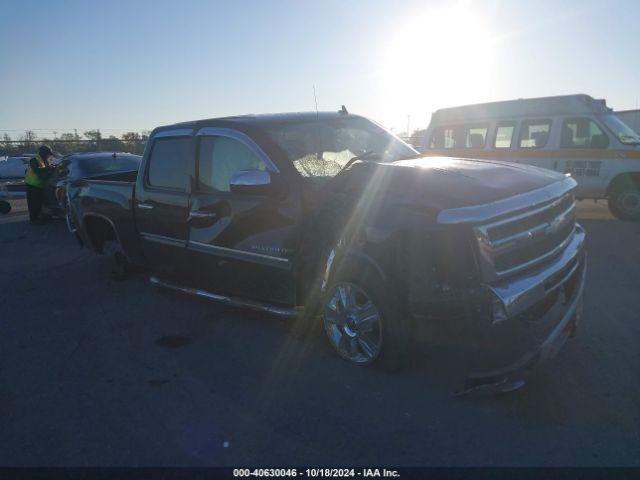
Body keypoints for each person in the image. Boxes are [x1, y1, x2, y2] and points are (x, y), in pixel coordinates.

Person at [24, 145, 54, 224]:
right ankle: (34, 220)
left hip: (39, 185)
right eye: (48, 154)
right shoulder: (34, 160)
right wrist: (49, 168)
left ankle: (42, 216)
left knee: (40, 203)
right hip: (32, 185)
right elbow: (37, 170)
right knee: (34, 203)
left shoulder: (45, 160)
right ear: (43, 153)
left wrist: (52, 168)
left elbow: (48, 171)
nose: (49, 156)